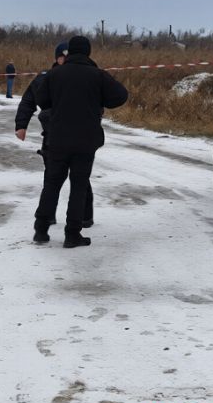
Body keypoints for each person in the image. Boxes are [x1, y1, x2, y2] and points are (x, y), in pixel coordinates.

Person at [32, 35, 128, 248]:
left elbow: (41, 100)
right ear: (88, 52)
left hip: (57, 139)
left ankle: (41, 229)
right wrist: (99, 98)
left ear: (69, 52)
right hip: (86, 141)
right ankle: (72, 234)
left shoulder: (55, 74)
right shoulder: (97, 75)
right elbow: (121, 96)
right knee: (79, 186)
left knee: (52, 183)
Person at [15, 42, 94, 229]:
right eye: (62, 57)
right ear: (56, 58)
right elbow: (28, 101)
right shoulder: (45, 78)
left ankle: (85, 216)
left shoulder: (84, 75)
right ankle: (47, 216)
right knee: (52, 176)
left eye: (69, 56)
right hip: (53, 135)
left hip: (78, 135)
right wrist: (21, 125)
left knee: (81, 178)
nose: (66, 60)